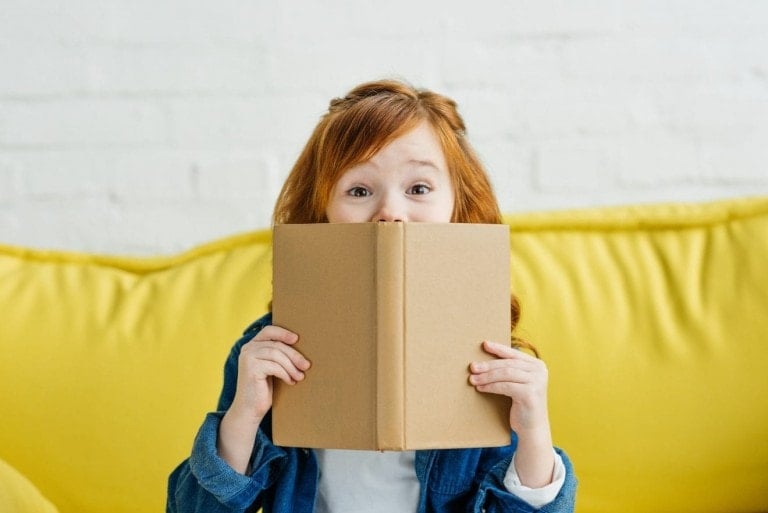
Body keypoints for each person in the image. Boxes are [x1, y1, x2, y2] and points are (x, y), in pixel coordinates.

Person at [167, 79, 577, 513]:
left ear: (458, 206)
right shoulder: (267, 354)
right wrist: (243, 419)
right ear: (321, 213)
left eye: (419, 188)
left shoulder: (494, 358)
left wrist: (534, 434)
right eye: (359, 191)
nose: (390, 213)